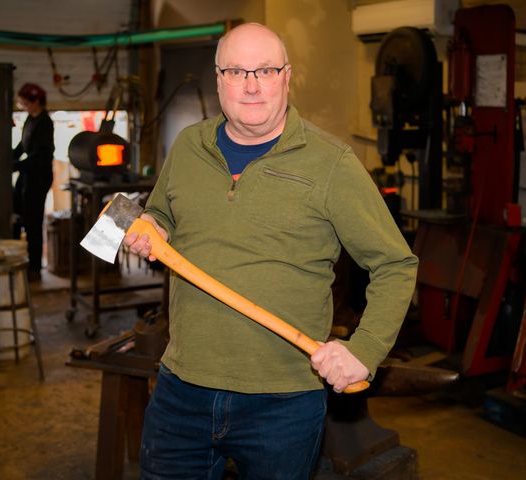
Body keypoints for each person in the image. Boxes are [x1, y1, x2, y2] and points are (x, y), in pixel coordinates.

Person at [125, 23, 418, 479]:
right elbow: (160, 211)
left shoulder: (331, 163)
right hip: (181, 387)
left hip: (283, 401)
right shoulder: (188, 147)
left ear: (287, 76)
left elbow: (395, 264)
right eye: (237, 71)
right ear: (218, 78)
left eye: (265, 69)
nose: (252, 85)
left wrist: (365, 348)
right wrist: (150, 223)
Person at [12, 82, 54, 282]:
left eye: (26, 102)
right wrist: (11, 157)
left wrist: (17, 166)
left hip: (38, 176)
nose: (24, 106)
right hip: (27, 173)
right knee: (17, 211)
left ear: (36, 101)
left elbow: (38, 155)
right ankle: (22, 259)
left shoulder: (45, 122)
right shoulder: (30, 119)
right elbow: (23, 144)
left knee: (33, 222)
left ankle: (35, 267)